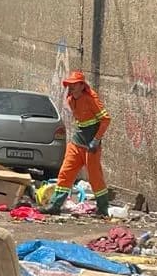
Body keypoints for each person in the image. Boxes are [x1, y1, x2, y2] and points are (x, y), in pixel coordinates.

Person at [43, 70, 112, 216]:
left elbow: (105, 119)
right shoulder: (70, 100)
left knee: (95, 178)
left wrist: (96, 140)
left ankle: (103, 209)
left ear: (82, 85)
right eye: (69, 84)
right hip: (77, 143)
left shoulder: (91, 99)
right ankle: (55, 206)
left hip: (90, 146)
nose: (70, 87)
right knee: (65, 173)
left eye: (74, 84)